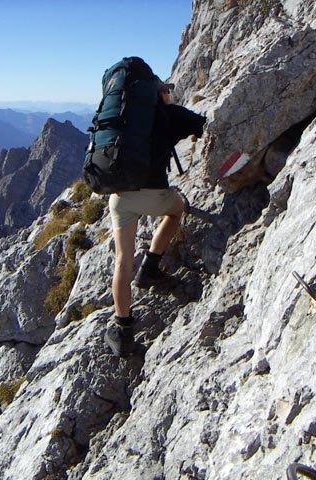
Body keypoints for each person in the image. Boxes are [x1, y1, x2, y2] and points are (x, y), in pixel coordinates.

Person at [104, 80, 206, 357]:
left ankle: (122, 329)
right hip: (155, 194)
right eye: (168, 91)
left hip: (119, 198)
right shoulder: (171, 115)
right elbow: (204, 125)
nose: (171, 95)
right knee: (177, 209)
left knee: (122, 260)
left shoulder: (122, 119)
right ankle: (150, 267)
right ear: (161, 94)